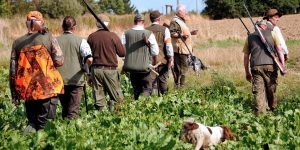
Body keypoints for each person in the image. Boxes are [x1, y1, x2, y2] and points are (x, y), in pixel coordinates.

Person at [9, 11, 64, 134]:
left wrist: (14, 93)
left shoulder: (17, 43)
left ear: (26, 24)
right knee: (46, 125)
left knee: (32, 123)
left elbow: (13, 71)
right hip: (47, 89)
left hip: (28, 90)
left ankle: (26, 143)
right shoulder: (48, 37)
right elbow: (59, 61)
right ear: (42, 22)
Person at [243, 20, 286, 116]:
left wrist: (247, 72)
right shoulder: (273, 33)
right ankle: (273, 109)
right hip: (270, 65)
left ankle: (260, 115)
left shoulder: (250, 37)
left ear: (257, 27)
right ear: (265, 26)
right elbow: (279, 50)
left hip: (256, 67)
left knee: (259, 92)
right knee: (271, 88)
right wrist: (282, 65)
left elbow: (246, 57)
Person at [57, 16, 93, 119]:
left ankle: (63, 131)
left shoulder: (55, 41)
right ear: (74, 27)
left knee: (65, 109)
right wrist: (85, 68)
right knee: (72, 111)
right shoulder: (81, 41)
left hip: (60, 80)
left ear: (62, 27)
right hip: (76, 81)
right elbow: (90, 59)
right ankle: (72, 133)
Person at [87, 14, 125, 111]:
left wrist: (89, 74)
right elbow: (122, 53)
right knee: (117, 98)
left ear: (97, 24)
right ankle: (115, 116)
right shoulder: (113, 36)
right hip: (110, 71)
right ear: (107, 24)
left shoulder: (91, 37)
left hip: (96, 70)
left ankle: (101, 118)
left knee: (99, 99)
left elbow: (87, 57)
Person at [121, 14, 159, 100]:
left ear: (134, 22)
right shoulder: (149, 34)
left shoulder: (125, 33)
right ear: (143, 22)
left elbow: (122, 51)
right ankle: (144, 107)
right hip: (144, 67)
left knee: (136, 89)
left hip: (130, 67)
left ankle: (136, 105)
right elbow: (155, 52)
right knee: (146, 88)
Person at [169, 4, 198, 88]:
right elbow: (172, 33)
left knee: (182, 68)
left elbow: (181, 32)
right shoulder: (175, 21)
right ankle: (180, 87)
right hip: (180, 49)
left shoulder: (180, 20)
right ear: (179, 12)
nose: (186, 12)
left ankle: (179, 86)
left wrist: (190, 33)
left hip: (183, 48)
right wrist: (181, 35)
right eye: (184, 11)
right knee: (182, 68)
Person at [146, 10, 174, 95]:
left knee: (149, 83)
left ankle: (147, 103)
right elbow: (168, 45)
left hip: (149, 61)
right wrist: (171, 57)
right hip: (162, 60)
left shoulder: (145, 30)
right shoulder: (165, 30)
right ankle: (165, 101)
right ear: (159, 19)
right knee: (163, 81)